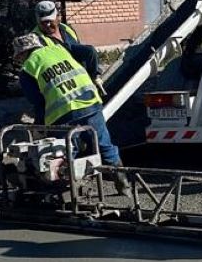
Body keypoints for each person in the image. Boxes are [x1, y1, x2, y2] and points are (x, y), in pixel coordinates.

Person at [13, 33, 131, 197]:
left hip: (63, 112)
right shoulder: (58, 49)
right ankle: (124, 186)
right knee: (104, 145)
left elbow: (38, 103)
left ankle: (66, 194)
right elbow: (89, 51)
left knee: (65, 152)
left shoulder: (28, 69)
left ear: (22, 53)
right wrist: (94, 73)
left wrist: (40, 127)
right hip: (90, 102)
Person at [31, 1, 102, 87]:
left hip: (78, 69)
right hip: (61, 73)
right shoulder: (36, 38)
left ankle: (94, 80)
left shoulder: (66, 29)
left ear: (58, 17)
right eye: (44, 22)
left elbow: (80, 47)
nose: (48, 25)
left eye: (50, 21)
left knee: (90, 51)